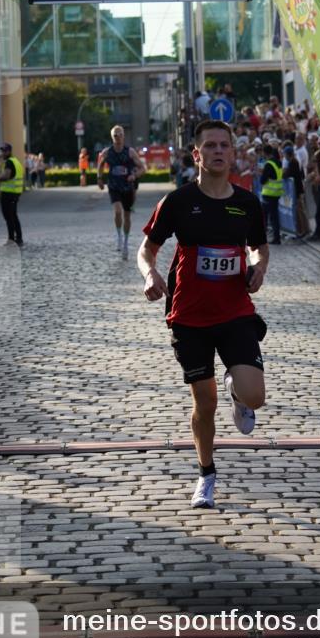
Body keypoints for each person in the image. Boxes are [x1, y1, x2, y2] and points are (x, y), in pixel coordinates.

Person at [138, 120, 269, 510]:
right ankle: (205, 474)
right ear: (196, 154)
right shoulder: (178, 202)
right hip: (189, 316)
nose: (217, 151)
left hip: (235, 312)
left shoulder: (247, 203)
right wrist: (150, 273)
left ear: (232, 153)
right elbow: (146, 249)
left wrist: (259, 267)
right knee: (204, 404)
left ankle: (239, 393)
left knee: (255, 396)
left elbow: (260, 248)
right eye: (209, 145)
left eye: (224, 146)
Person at [96, 125, 146, 260]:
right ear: (112, 137)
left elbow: (142, 168)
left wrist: (134, 176)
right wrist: (99, 179)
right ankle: (118, 236)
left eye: (120, 134)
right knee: (118, 211)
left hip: (127, 187)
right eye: (115, 135)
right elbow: (100, 166)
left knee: (127, 215)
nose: (118, 137)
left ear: (124, 136)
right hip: (113, 186)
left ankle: (125, 242)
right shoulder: (107, 152)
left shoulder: (130, 152)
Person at [0, 142, 24, 247]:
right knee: (13, 216)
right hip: (15, 193)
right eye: (2, 151)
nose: (3, 153)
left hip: (8, 194)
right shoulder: (16, 161)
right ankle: (19, 238)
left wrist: (1, 178)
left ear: (9, 151)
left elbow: (7, 175)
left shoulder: (9, 162)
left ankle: (11, 240)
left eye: (4, 151)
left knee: (9, 217)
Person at [260, 143, 283, 245]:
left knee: (265, 217)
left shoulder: (268, 164)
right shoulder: (278, 162)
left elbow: (263, 180)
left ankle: (263, 238)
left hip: (268, 193)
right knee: (274, 217)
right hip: (277, 193)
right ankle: (276, 237)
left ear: (265, 153)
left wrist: (261, 174)